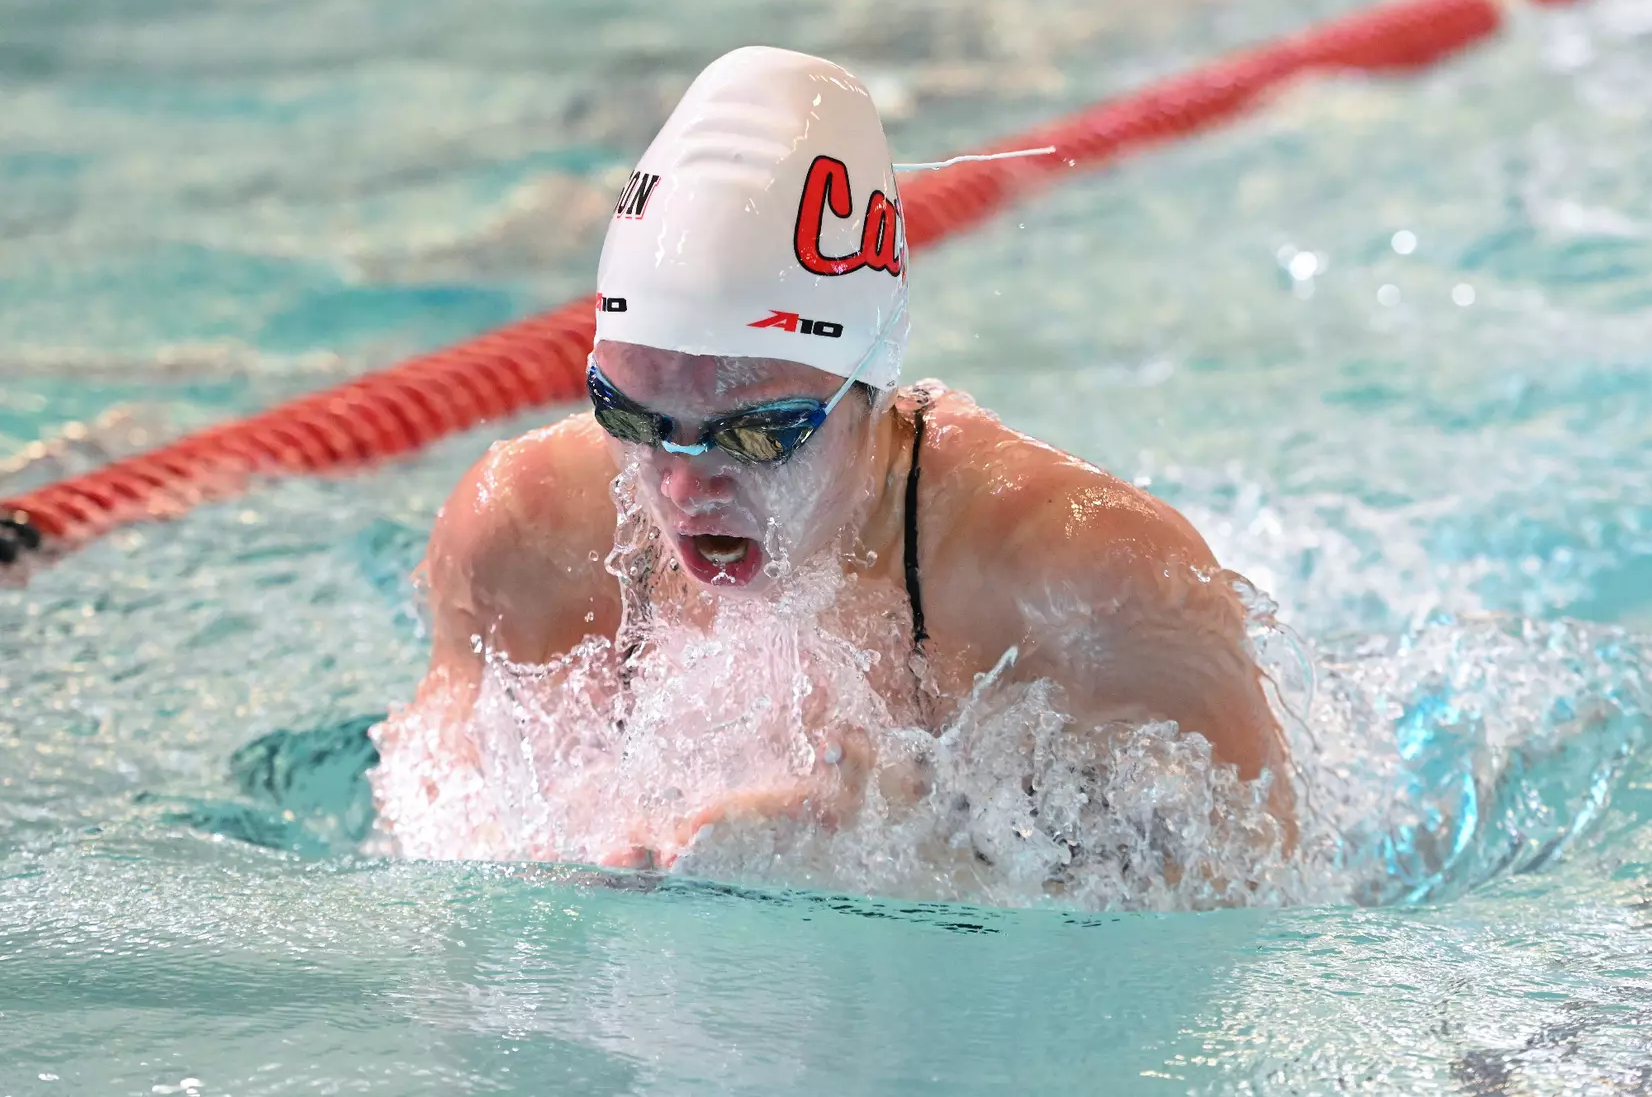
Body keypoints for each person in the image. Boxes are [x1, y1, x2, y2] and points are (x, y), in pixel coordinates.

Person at [373, 45, 1293, 869]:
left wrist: (925, 860)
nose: (686, 483)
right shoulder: (521, 530)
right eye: (632, 417)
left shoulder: (1079, 578)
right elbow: (426, 825)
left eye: (756, 432)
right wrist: (559, 859)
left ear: (873, 384)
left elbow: (1267, 884)